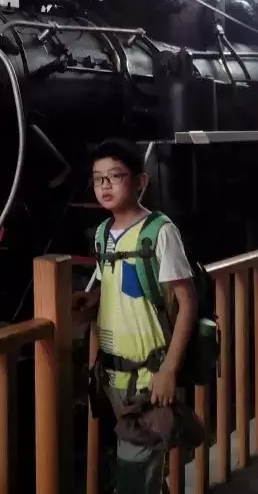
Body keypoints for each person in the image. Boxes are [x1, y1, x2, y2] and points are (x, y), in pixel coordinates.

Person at [73, 138, 198, 494]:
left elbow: (187, 303)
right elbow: (119, 287)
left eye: (116, 176)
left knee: (133, 472)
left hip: (149, 377)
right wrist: (93, 299)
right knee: (142, 471)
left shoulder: (159, 232)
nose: (105, 185)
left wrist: (168, 370)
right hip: (113, 377)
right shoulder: (102, 234)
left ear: (141, 182)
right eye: (98, 178)